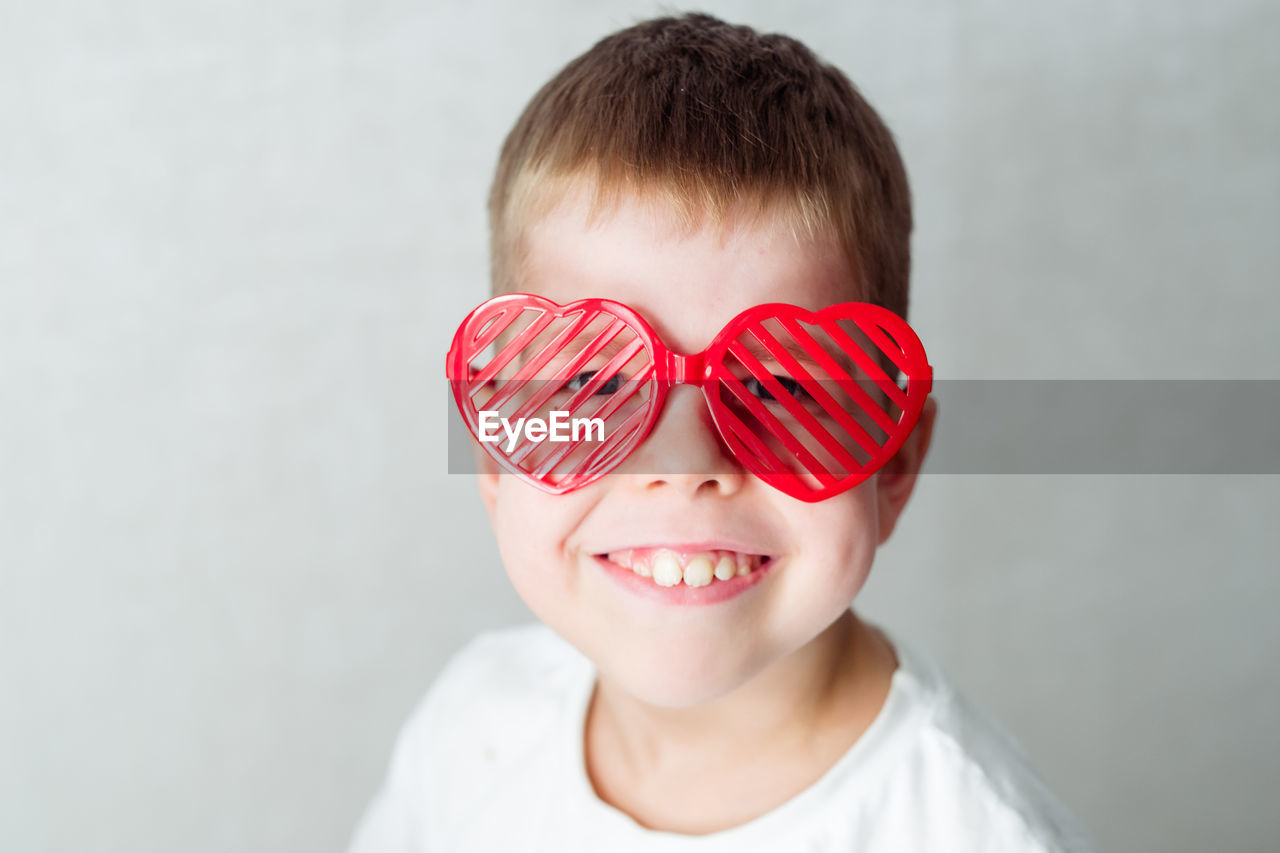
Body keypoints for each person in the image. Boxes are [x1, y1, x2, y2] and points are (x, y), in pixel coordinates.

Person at [349, 13, 1095, 852]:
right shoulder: (470, 732)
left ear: (893, 461)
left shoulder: (974, 833)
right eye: (595, 380)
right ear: (495, 450)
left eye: (778, 386)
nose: (684, 460)